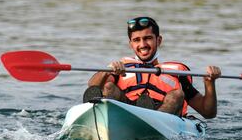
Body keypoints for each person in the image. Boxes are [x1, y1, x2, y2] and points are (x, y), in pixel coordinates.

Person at [83, 17, 221, 119]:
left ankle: (150, 118)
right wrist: (106, 71)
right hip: (126, 111)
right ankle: (114, 115)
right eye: (136, 40)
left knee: (177, 95)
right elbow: (92, 86)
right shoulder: (121, 66)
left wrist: (209, 83)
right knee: (107, 86)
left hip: (164, 117)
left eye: (147, 38)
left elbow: (208, 112)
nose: (142, 44)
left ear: (158, 40)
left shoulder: (177, 71)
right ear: (131, 44)